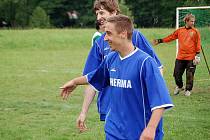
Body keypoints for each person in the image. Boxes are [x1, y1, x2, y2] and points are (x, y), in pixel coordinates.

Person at [60, 14, 173, 140]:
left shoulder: (145, 63)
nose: (105, 38)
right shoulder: (110, 59)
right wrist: (75, 82)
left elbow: (160, 101)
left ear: (123, 34)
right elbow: (95, 77)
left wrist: (151, 128)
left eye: (108, 33)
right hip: (114, 131)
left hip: (140, 132)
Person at [77, 0, 164, 131]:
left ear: (114, 12)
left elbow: (157, 69)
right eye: (96, 14)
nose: (98, 17)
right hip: (110, 107)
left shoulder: (135, 37)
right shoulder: (100, 43)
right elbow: (93, 80)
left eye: (101, 13)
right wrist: (83, 112)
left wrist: (152, 96)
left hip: (137, 108)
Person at [152, 13, 201, 96]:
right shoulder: (180, 30)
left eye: (194, 21)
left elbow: (198, 43)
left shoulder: (195, 31)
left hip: (191, 57)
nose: (193, 23)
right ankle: (180, 86)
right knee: (176, 74)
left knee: (190, 75)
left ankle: (188, 90)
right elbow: (171, 37)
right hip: (180, 57)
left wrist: (197, 55)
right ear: (186, 21)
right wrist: (160, 41)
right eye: (191, 21)